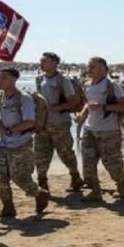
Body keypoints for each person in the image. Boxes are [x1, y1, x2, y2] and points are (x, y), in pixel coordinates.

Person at [0, 68, 50, 218]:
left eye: (4, 78)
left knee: (19, 177)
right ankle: (8, 207)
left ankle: (40, 194)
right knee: (0, 177)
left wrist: (9, 130)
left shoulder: (24, 98)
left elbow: (30, 122)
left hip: (21, 143)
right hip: (2, 144)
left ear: (14, 80)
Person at [74, 57, 124, 202]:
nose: (88, 69)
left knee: (111, 162)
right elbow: (88, 103)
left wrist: (103, 107)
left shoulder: (112, 85)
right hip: (90, 129)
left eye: (92, 66)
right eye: (88, 66)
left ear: (103, 68)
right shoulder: (87, 84)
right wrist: (82, 115)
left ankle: (121, 184)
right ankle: (95, 190)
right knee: (88, 162)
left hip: (109, 131)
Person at [34, 52, 84, 193]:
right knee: (40, 154)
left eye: (45, 61)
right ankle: (42, 183)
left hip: (59, 123)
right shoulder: (39, 79)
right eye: (41, 60)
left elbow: (73, 101)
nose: (41, 63)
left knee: (65, 153)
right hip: (42, 123)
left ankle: (75, 177)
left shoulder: (63, 80)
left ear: (55, 63)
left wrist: (55, 108)